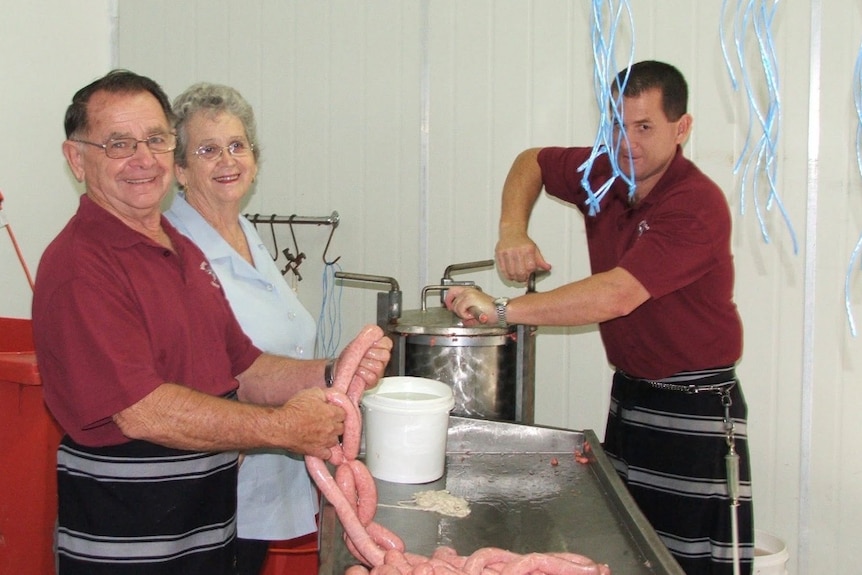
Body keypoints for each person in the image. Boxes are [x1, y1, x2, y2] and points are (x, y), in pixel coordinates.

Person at [32, 69, 391, 575]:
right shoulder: (81, 266)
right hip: (132, 543)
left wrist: (334, 372)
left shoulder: (180, 249)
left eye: (156, 139)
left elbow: (242, 367)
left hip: (207, 532)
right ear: (76, 158)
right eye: (118, 143)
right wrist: (283, 428)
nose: (143, 158)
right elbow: (142, 412)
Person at [444, 61, 753, 575]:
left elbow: (615, 296)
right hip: (631, 398)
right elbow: (532, 162)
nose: (627, 142)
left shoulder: (695, 203)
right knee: (630, 551)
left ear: (683, 128)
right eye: (617, 125)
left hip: (694, 410)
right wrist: (512, 230)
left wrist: (501, 309)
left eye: (645, 127)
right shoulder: (604, 174)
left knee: (688, 563)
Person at [164, 82, 319, 575]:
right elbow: (185, 373)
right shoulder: (175, 248)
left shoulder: (244, 231)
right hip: (212, 476)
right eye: (207, 150)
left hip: (260, 475)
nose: (227, 160)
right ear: (180, 169)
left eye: (237, 146)